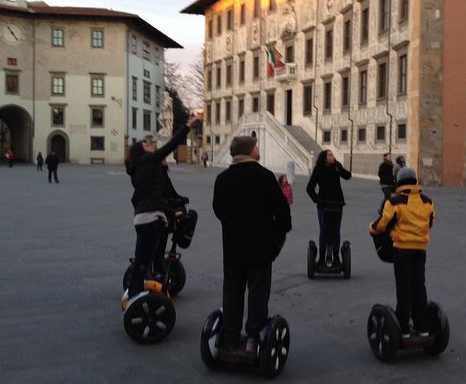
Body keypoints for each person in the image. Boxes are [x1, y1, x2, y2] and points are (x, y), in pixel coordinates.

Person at [213, 136, 291, 354]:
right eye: (256, 146)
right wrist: (280, 233)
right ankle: (253, 339)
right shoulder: (265, 177)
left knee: (232, 292)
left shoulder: (223, 179)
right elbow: (282, 211)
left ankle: (230, 337)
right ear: (250, 151)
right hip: (260, 247)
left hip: (233, 247)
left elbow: (218, 209)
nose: (258, 149)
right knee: (257, 293)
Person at [124, 113, 203, 299]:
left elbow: (153, 195)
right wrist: (189, 124)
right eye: (147, 145)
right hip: (152, 217)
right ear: (142, 152)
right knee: (148, 260)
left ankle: (136, 293)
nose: (151, 145)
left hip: (142, 217)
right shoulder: (148, 161)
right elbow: (172, 144)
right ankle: (137, 295)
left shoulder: (140, 168)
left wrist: (170, 208)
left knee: (144, 260)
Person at [369, 167, 435, 339]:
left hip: (402, 249)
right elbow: (430, 222)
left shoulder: (395, 202)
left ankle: (403, 328)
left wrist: (372, 228)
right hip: (420, 250)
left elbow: (383, 223)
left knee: (404, 287)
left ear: (399, 182)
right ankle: (422, 326)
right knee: (419, 286)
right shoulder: (427, 201)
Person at [306, 150, 352, 267]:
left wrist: (338, 168)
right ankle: (322, 258)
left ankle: (336, 257)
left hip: (337, 204)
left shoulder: (337, 166)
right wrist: (317, 199)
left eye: (333, 155)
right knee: (324, 230)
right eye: (330, 155)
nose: (333, 157)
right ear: (325, 158)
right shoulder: (319, 169)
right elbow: (309, 188)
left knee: (336, 230)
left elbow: (347, 176)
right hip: (324, 204)